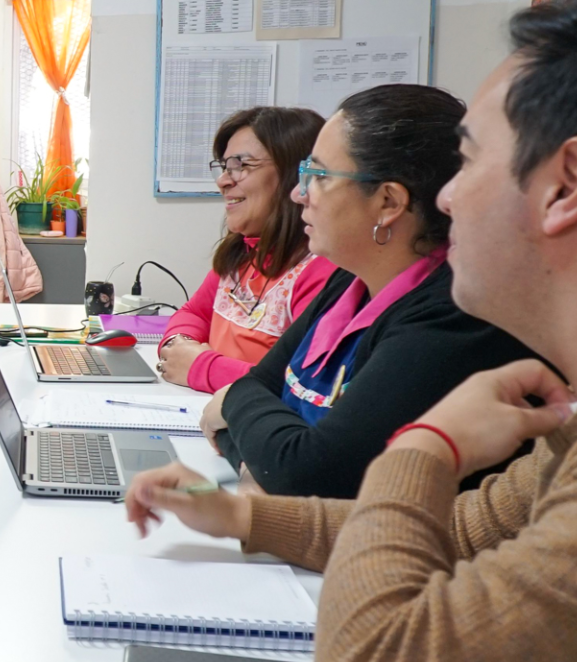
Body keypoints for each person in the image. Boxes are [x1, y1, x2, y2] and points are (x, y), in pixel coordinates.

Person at [125, 0, 577, 662]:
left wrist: (424, 448)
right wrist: (242, 517)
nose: (445, 200)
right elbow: (461, 532)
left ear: (565, 184)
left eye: (469, 163)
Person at [199, 84, 534, 497]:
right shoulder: (350, 281)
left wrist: (239, 420)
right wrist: (260, 456)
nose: (298, 194)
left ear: (388, 202)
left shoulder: (454, 317)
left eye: (318, 176)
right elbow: (256, 388)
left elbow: (305, 474)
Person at [158, 107, 336, 391]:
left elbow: (303, 387)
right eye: (224, 167)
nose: (223, 181)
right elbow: (195, 313)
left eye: (240, 165)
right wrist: (179, 346)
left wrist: (201, 367)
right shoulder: (242, 253)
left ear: (295, 176)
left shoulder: (323, 272)